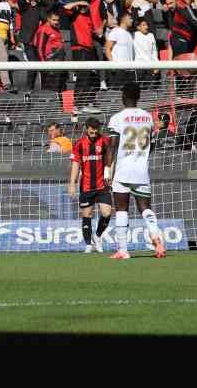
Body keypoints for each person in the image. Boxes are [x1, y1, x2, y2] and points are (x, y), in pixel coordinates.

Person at [105, 81, 165, 260]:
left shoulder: (117, 118)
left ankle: (123, 250)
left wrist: (107, 168)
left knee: (122, 209)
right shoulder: (148, 117)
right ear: (138, 97)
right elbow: (152, 144)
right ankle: (157, 238)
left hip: (123, 171)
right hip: (142, 171)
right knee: (145, 208)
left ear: (123, 97)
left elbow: (112, 146)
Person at [69, 115, 115, 253]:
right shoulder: (79, 144)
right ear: (86, 130)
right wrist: (72, 183)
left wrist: (110, 174)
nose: (94, 134)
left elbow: (111, 159)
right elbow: (76, 164)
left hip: (102, 185)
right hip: (86, 185)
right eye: (91, 131)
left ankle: (98, 235)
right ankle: (88, 244)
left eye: (96, 131)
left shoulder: (105, 141)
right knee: (87, 215)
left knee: (106, 213)